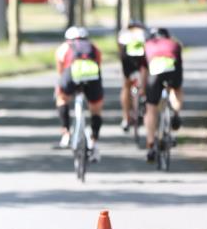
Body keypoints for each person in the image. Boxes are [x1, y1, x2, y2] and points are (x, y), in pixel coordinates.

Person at [54, 26, 104, 161]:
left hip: (71, 73)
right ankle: (94, 140)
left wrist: (62, 86)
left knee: (62, 98)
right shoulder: (93, 47)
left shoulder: (64, 47)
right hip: (92, 76)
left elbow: (60, 70)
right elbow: (98, 64)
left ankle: (65, 132)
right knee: (96, 107)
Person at [143, 27, 184, 163]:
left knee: (151, 108)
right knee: (175, 90)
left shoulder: (148, 45)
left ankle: (150, 145)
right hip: (172, 68)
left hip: (155, 71)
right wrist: (177, 85)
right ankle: (176, 114)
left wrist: (144, 89)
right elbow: (179, 64)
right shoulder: (174, 44)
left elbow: (144, 71)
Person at [116, 20, 148, 132]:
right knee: (144, 79)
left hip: (127, 59)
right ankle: (143, 96)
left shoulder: (123, 33)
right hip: (141, 60)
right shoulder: (144, 33)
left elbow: (120, 51)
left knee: (126, 86)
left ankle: (126, 118)